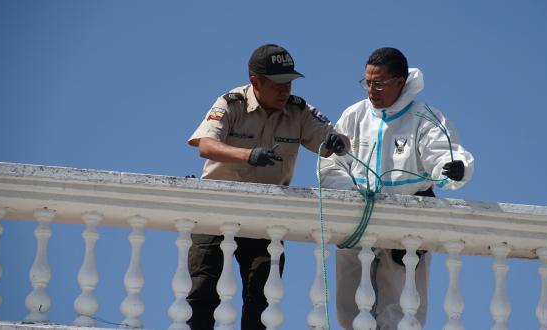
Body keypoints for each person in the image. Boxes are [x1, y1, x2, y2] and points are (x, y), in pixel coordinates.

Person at [186, 44, 348, 329]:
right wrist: (248, 155)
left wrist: (337, 143)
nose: (285, 91)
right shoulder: (230, 103)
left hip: (265, 217)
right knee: (202, 292)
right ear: (255, 81)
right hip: (216, 209)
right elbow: (206, 145)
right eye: (277, 84)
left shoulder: (298, 110)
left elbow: (335, 140)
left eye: (289, 82)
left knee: (261, 299)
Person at [320, 47, 474, 329]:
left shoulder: (425, 117)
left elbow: (445, 155)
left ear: (400, 82)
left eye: (378, 83)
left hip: (406, 225)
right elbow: (331, 164)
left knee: (403, 310)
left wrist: (455, 168)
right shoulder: (354, 115)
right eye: (366, 82)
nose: (371, 90)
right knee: (350, 305)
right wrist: (351, 197)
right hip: (357, 222)